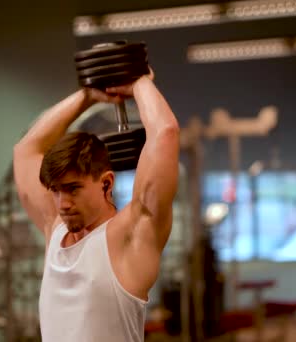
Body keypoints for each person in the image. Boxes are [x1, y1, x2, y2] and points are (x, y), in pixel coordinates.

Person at [13, 70, 179, 342]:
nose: (63, 203)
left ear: (105, 184)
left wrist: (136, 81)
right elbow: (25, 150)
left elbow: (165, 134)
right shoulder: (55, 229)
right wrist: (89, 95)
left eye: (73, 189)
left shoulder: (131, 234)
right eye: (55, 191)